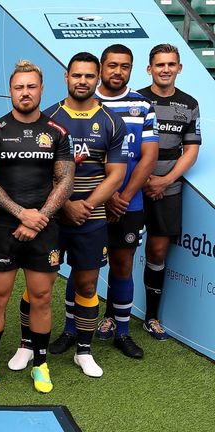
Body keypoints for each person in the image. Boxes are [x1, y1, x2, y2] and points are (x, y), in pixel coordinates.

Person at [0, 60, 74, 394]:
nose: (25, 93)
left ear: (42, 89)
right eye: (19, 87)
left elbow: (65, 183)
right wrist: (22, 214)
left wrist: (38, 219)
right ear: (10, 91)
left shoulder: (57, 132)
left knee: (42, 298)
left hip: (44, 229)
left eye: (31, 87)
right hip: (5, 228)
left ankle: (41, 364)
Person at [45, 52, 128, 378]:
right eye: (76, 75)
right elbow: (38, 171)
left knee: (88, 283)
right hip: (51, 213)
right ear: (66, 77)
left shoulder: (110, 121)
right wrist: (63, 205)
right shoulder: (48, 116)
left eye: (89, 76)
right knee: (42, 283)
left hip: (91, 217)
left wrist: (87, 205)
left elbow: (115, 175)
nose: (82, 81)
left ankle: (84, 351)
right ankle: (29, 345)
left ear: (97, 79)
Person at [92, 44, 158, 358]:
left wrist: (125, 196)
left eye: (125, 66)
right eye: (113, 65)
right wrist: (103, 196)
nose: (118, 72)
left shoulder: (143, 105)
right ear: (102, 67)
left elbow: (149, 156)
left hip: (128, 203)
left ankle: (122, 331)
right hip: (91, 201)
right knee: (84, 265)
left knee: (122, 265)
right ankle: (72, 331)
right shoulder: (86, 101)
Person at [137, 44, 200, 341]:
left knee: (158, 251)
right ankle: (111, 316)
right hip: (133, 187)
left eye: (170, 64)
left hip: (169, 188)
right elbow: (124, 145)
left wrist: (164, 180)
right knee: (120, 253)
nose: (165, 69)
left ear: (179, 68)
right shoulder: (135, 100)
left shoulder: (189, 104)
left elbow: (190, 151)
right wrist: (144, 178)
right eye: (159, 64)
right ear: (149, 68)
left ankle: (152, 317)